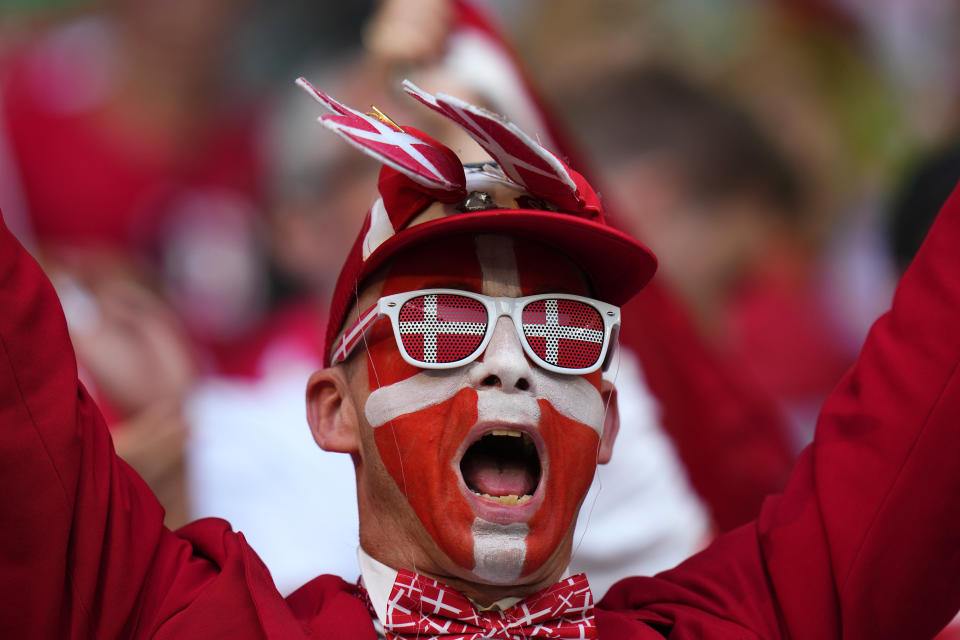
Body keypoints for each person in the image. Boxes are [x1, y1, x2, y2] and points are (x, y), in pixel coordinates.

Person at [2, 80, 960, 639]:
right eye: (443, 328)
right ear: (333, 408)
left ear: (610, 420)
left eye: (561, 336)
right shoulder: (190, 624)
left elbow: (928, 405)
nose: (512, 373)